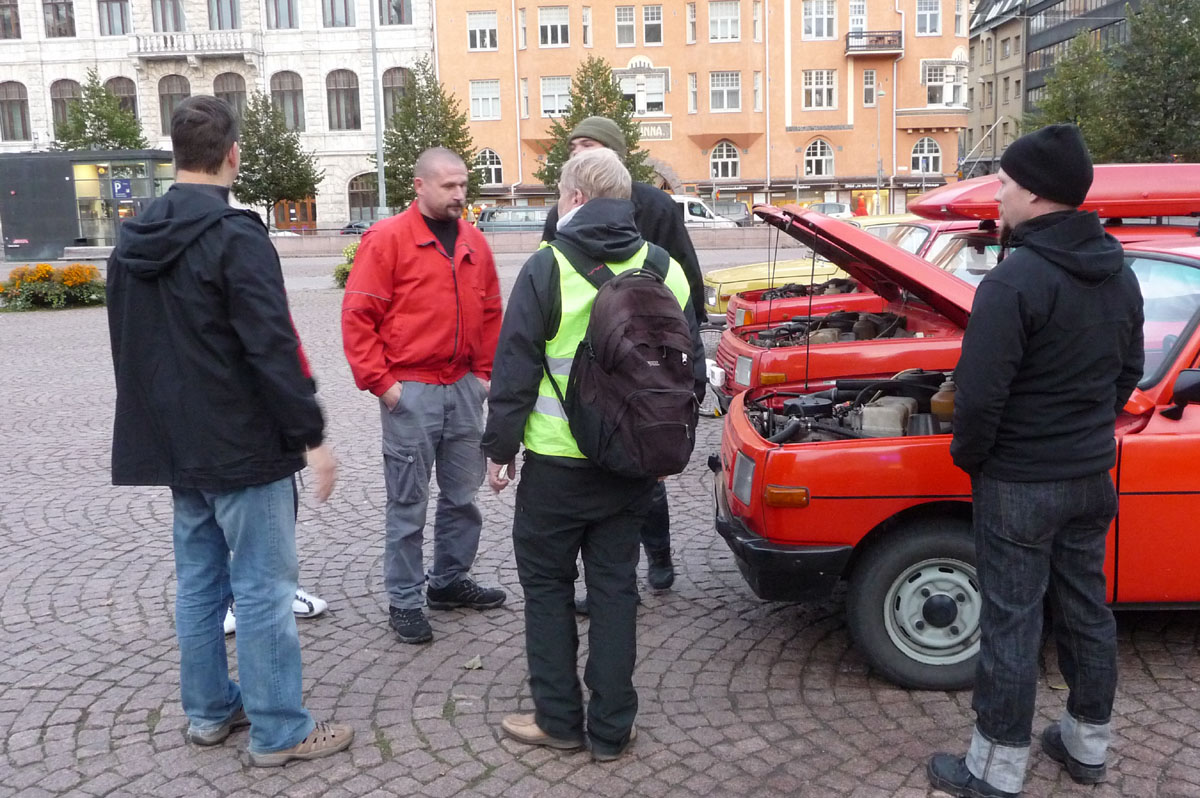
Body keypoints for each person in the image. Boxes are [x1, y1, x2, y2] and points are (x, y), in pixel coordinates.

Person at [106, 95, 353, 767]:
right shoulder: (236, 236)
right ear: (232, 154)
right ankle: (280, 731)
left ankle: (211, 711)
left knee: (199, 586)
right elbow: (271, 345)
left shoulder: (132, 239)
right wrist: (311, 435)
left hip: (178, 446)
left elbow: (128, 347)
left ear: (176, 154)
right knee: (263, 589)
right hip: (243, 448)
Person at [927, 124, 1144, 797]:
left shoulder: (1014, 280)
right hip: (1090, 473)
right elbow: (1127, 374)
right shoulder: (1119, 273)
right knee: (1086, 611)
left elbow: (979, 397)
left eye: (1005, 183)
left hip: (1020, 480)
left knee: (1012, 621)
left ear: (1036, 193)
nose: (998, 195)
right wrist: (1082, 430)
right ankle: (1086, 746)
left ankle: (995, 769)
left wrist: (974, 459)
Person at [483, 148, 705, 761]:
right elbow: (690, 368)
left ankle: (558, 719)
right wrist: (666, 442)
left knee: (547, 589)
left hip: (556, 463)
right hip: (630, 464)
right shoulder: (665, 267)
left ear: (576, 197)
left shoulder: (547, 266)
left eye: (560, 195)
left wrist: (499, 449)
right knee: (614, 588)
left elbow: (515, 367)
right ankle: (611, 728)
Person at [342, 147, 505, 645]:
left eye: (463, 185)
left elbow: (492, 314)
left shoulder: (474, 242)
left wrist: (483, 376)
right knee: (407, 503)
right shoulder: (387, 239)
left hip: (463, 387)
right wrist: (385, 386)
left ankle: (449, 581)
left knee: (463, 497)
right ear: (420, 185)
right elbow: (358, 317)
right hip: (411, 390)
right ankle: (405, 600)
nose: (459, 194)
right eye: (449, 186)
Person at [541, 116, 704, 596]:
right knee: (602, 464)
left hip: (647, 350)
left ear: (616, 154)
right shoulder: (562, 209)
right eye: (574, 146)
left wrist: (681, 349)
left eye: (588, 145)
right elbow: (548, 277)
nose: (578, 152)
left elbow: (685, 275)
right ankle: (606, 578)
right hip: (590, 355)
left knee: (646, 458)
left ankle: (659, 554)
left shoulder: (654, 205)